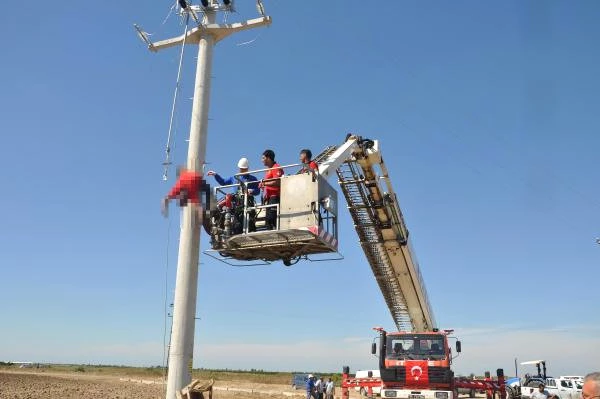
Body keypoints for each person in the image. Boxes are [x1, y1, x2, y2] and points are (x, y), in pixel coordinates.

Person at [207, 157, 260, 233]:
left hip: (248, 203)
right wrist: (216, 175)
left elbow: (257, 191)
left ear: (247, 169)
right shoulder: (235, 178)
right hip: (237, 204)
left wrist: (251, 190)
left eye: (244, 169)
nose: (242, 170)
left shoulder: (252, 179)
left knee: (248, 223)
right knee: (237, 224)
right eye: (241, 168)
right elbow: (223, 182)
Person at [259, 149, 284, 230]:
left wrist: (264, 183)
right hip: (270, 198)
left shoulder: (276, 167)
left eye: (263, 158)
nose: (262, 160)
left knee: (272, 219)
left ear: (268, 158)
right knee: (268, 221)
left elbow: (278, 182)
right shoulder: (269, 169)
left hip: (275, 197)